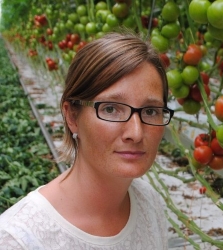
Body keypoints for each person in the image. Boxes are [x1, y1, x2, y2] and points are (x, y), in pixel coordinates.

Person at [0, 31, 174, 249]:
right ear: (72, 116)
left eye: (150, 111)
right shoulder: (18, 240)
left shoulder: (150, 205)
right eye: (111, 109)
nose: (136, 132)